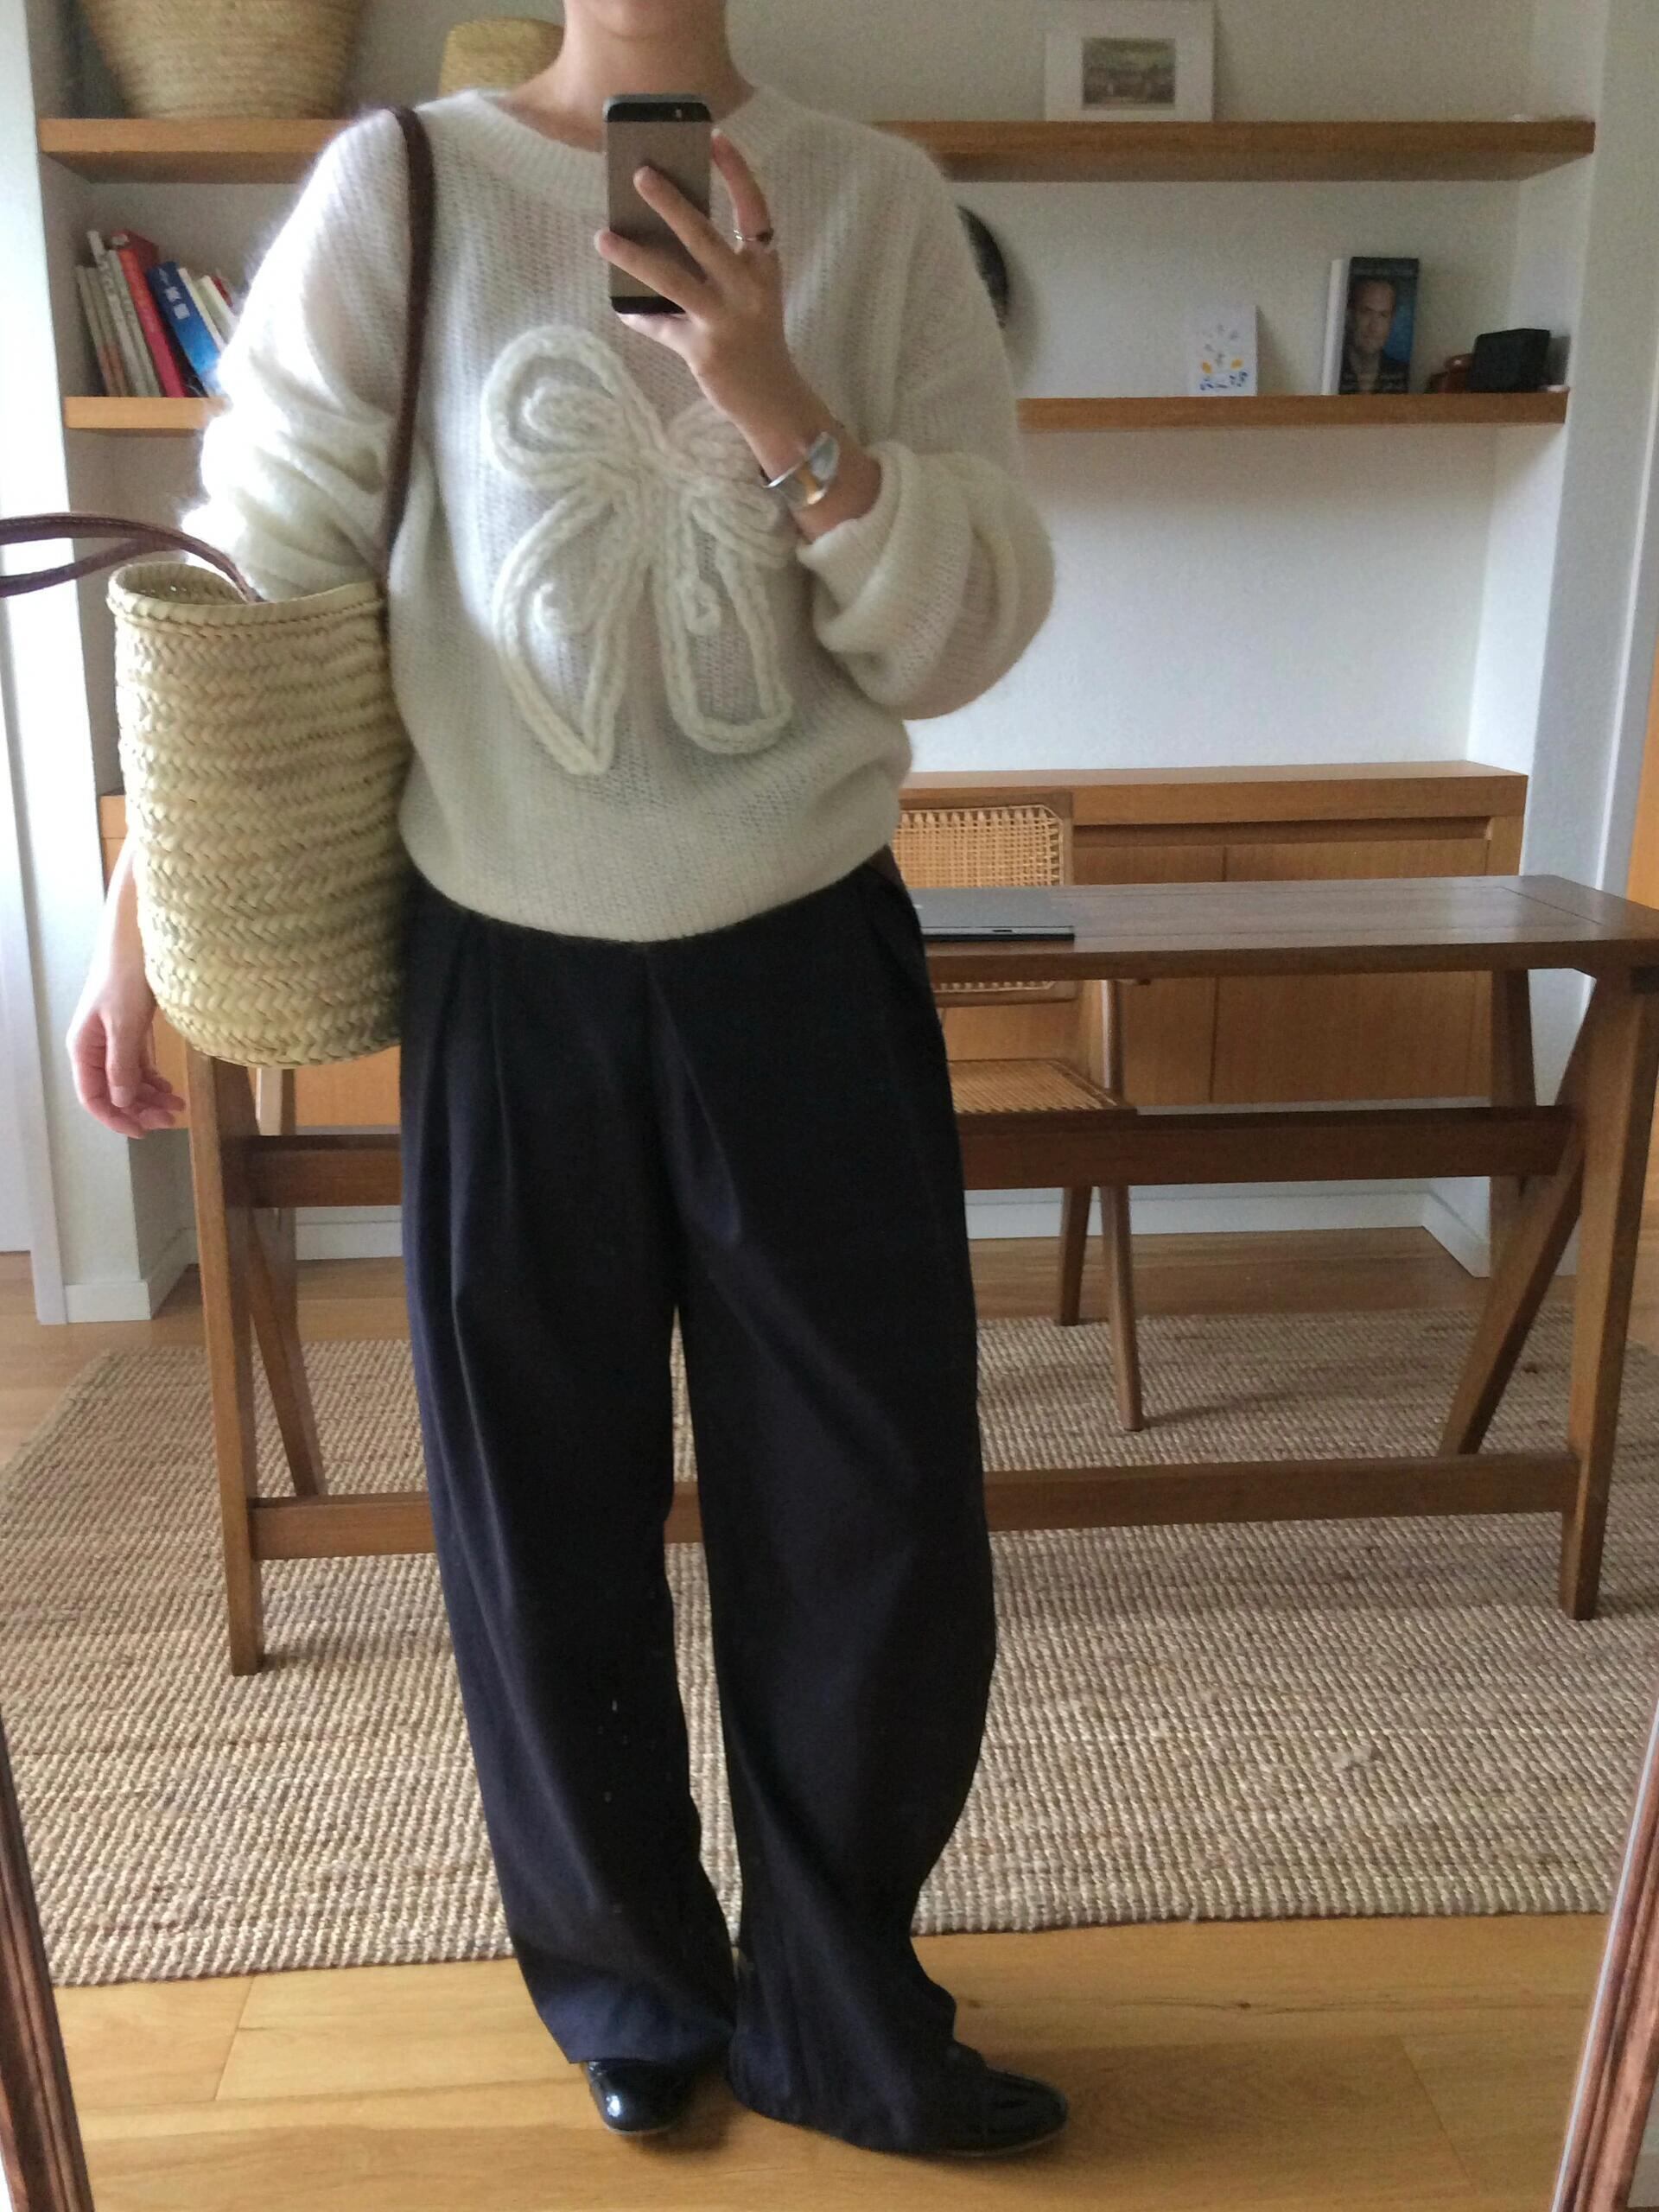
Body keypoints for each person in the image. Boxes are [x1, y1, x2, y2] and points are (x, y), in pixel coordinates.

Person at [66, 0, 1061, 2163]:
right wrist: (143, 907)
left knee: (877, 1512)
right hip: (508, 970)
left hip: (804, 962)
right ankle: (634, 1984)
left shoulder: (880, 207)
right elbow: (264, 562)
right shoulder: (400, 189)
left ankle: (839, 2002)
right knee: (539, 1515)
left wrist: (773, 395)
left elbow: (965, 629)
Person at [1340, 273, 1411, 394]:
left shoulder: (1402, 374)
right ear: (1350, 315)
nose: (1374, 327)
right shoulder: (1331, 368)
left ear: (1392, 320)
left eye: (1383, 315)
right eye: (1366, 312)